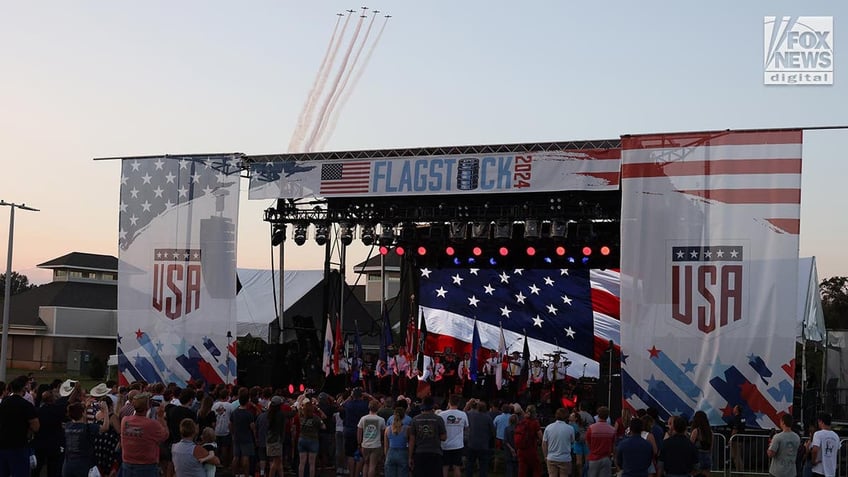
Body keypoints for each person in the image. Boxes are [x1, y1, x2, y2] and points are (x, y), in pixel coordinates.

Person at [121, 391, 170, 477]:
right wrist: (161, 418)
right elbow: (165, 435)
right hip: (146, 466)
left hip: (127, 463)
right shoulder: (151, 424)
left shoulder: (125, 420)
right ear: (147, 406)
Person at [0, 376, 39, 477]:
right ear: (23, 388)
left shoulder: (3, 403)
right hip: (19, 446)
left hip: (2, 445)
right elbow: (36, 426)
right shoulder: (26, 405)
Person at [408, 396, 446, 477]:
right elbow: (444, 437)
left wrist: (410, 457)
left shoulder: (415, 419)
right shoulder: (438, 419)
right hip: (435, 453)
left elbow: (412, 440)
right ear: (433, 406)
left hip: (420, 453)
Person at [229, 388, 257, 477]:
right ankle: (246, 474)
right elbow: (252, 427)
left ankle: (234, 474)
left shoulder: (234, 412)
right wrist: (255, 437)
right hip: (247, 438)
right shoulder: (249, 414)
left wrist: (233, 433)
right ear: (247, 400)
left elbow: (230, 424)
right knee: (246, 457)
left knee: (236, 457)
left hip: (237, 437)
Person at [465, 399, 496, 477]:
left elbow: (464, 411)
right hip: (483, 445)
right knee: (483, 466)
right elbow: (493, 432)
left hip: (472, 444)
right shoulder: (487, 417)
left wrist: (469, 403)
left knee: (470, 464)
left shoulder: (471, 415)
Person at [439, 394, 468, 477]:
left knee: (444, 467)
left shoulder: (441, 414)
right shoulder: (463, 414)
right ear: (458, 403)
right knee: (457, 467)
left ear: (449, 402)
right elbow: (466, 427)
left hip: (445, 445)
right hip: (457, 445)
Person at [543, 408, 576, 477]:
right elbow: (572, 441)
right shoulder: (570, 428)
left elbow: (544, 443)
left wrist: (546, 456)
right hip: (565, 458)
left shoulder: (548, 427)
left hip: (551, 457)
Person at [586, 406, 616, 477]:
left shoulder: (591, 428)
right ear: (607, 416)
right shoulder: (612, 430)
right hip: (606, 459)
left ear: (598, 415)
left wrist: (592, 450)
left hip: (594, 458)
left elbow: (587, 442)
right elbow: (613, 445)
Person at [357, 400, 385, 477]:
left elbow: (359, 432)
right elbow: (383, 433)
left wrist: (359, 443)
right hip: (376, 445)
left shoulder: (363, 418)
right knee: (372, 466)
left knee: (366, 464)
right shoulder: (381, 420)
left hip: (365, 444)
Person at [297, 400, 325, 477]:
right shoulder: (316, 418)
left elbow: (298, 407)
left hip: (302, 439)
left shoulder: (301, 416)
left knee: (302, 462)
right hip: (313, 440)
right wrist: (318, 409)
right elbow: (323, 426)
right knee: (311, 463)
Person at [810, 412, 840, 477]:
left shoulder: (818, 434)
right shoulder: (836, 436)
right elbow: (837, 450)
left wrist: (813, 461)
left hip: (819, 469)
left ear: (821, 422)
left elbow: (815, 450)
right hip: (831, 470)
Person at [384, 407, 410, 477]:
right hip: (403, 453)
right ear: (404, 417)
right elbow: (410, 444)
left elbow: (386, 446)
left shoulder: (387, 429)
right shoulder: (407, 429)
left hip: (390, 453)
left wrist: (386, 456)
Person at [730, 404, 746, 471]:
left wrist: (731, 438)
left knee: (736, 456)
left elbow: (735, 429)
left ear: (737, 410)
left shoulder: (737, 418)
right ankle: (740, 470)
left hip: (736, 440)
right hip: (740, 439)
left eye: (734, 408)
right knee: (737, 456)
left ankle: (739, 471)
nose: (733, 409)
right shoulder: (743, 418)